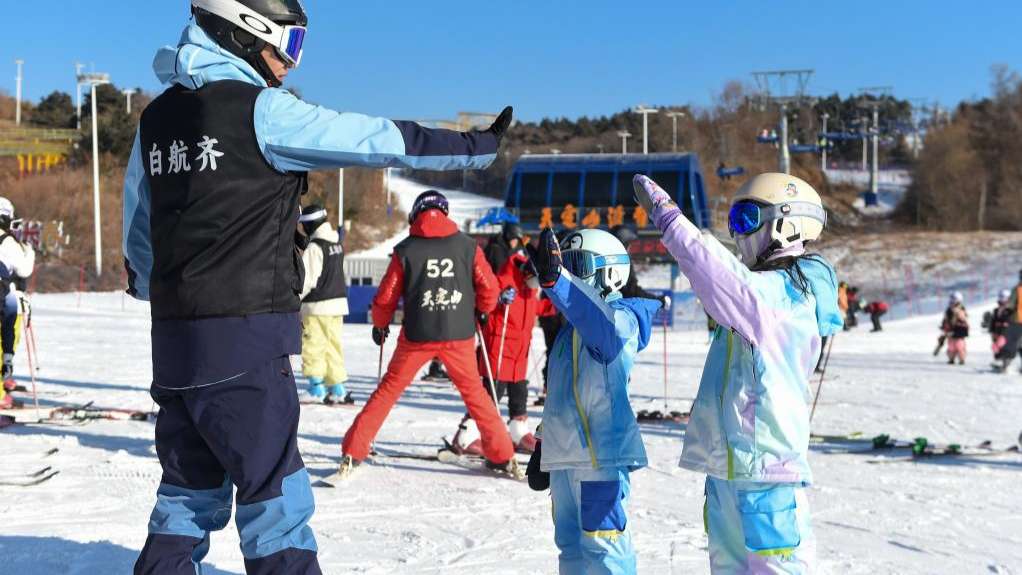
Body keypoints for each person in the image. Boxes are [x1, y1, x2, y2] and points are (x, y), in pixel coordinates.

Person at [122, 2, 512, 572]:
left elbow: (140, 221)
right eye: (290, 45)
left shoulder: (156, 120)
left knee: (187, 492)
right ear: (245, 31)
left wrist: (154, 286)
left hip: (175, 346)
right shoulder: (263, 111)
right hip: (246, 341)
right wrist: (473, 148)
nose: (289, 64)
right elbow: (374, 138)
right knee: (274, 497)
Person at [635, 173, 842, 573]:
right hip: (731, 467)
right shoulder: (764, 292)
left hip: (767, 470)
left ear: (786, 223)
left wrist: (672, 221)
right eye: (733, 219)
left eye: (746, 218)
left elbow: (724, 280)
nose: (736, 230)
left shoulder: (786, 294)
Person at [339, 191, 516, 476]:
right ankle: (501, 453)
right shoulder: (468, 246)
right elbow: (490, 289)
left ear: (415, 215)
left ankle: (354, 450)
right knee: (475, 395)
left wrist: (380, 324)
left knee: (387, 392)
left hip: (416, 336)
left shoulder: (406, 249)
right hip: (458, 334)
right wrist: (483, 309)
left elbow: (385, 296)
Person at [525, 227, 661, 574]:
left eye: (576, 263)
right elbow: (562, 394)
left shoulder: (624, 317)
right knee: (569, 549)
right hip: (564, 458)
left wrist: (560, 285)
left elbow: (607, 330)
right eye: (563, 264)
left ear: (611, 271)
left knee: (604, 548)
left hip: (600, 459)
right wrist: (545, 441)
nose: (568, 271)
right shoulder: (569, 330)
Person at [468, 253, 541, 454]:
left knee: (520, 392)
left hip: (519, 352)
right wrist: (499, 300)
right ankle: (470, 434)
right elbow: (481, 304)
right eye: (534, 280)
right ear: (527, 272)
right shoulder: (502, 280)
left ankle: (518, 432)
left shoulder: (530, 289)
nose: (535, 285)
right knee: (491, 393)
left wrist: (561, 306)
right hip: (498, 348)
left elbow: (535, 308)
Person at [299, 204, 351, 404]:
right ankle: (337, 388)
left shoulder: (315, 247)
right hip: (337, 304)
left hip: (317, 306)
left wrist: (294, 299)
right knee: (333, 346)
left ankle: (316, 388)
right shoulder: (336, 244)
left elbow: (307, 280)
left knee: (313, 345)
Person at [0, 197, 34, 409]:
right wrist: (28, 251)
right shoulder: (7, 241)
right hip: (8, 299)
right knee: (7, 343)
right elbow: (24, 269)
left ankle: (4, 381)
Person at [998, 271, 1022, 373]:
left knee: (1011, 343)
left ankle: (1006, 366)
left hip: (1017, 320)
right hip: (1017, 319)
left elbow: (1010, 304)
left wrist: (1005, 311)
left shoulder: (1017, 289)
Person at [986, 289, 1014, 366]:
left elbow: (1011, 320)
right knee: (995, 346)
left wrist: (1004, 323)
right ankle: (999, 360)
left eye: (1004, 299)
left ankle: (1004, 361)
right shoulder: (996, 310)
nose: (1002, 301)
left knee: (1000, 345)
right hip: (997, 332)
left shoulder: (1011, 310)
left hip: (1006, 333)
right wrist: (992, 331)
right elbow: (993, 321)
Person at [941, 292, 969, 365]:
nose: (952, 302)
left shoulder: (961, 309)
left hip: (959, 331)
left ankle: (961, 359)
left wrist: (958, 314)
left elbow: (964, 320)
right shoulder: (948, 310)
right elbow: (945, 320)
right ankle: (951, 359)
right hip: (950, 331)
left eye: (954, 300)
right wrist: (944, 327)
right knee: (951, 346)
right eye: (951, 300)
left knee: (959, 345)